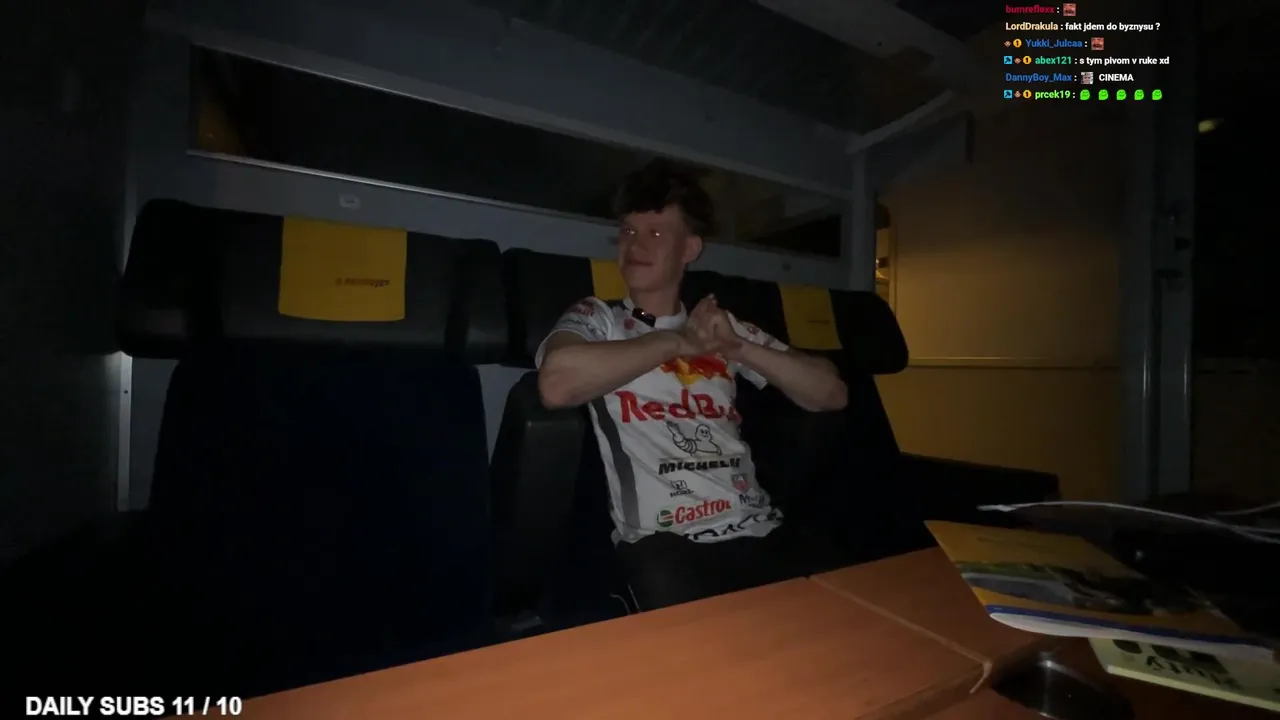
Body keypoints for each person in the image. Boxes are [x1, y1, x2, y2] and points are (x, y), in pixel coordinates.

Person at [535, 159, 850, 610]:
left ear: (690, 248)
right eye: (628, 231)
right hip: (666, 543)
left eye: (656, 233)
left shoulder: (720, 327)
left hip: (759, 527)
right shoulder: (598, 318)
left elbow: (831, 393)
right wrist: (679, 342)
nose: (635, 244)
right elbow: (556, 383)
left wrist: (738, 347)